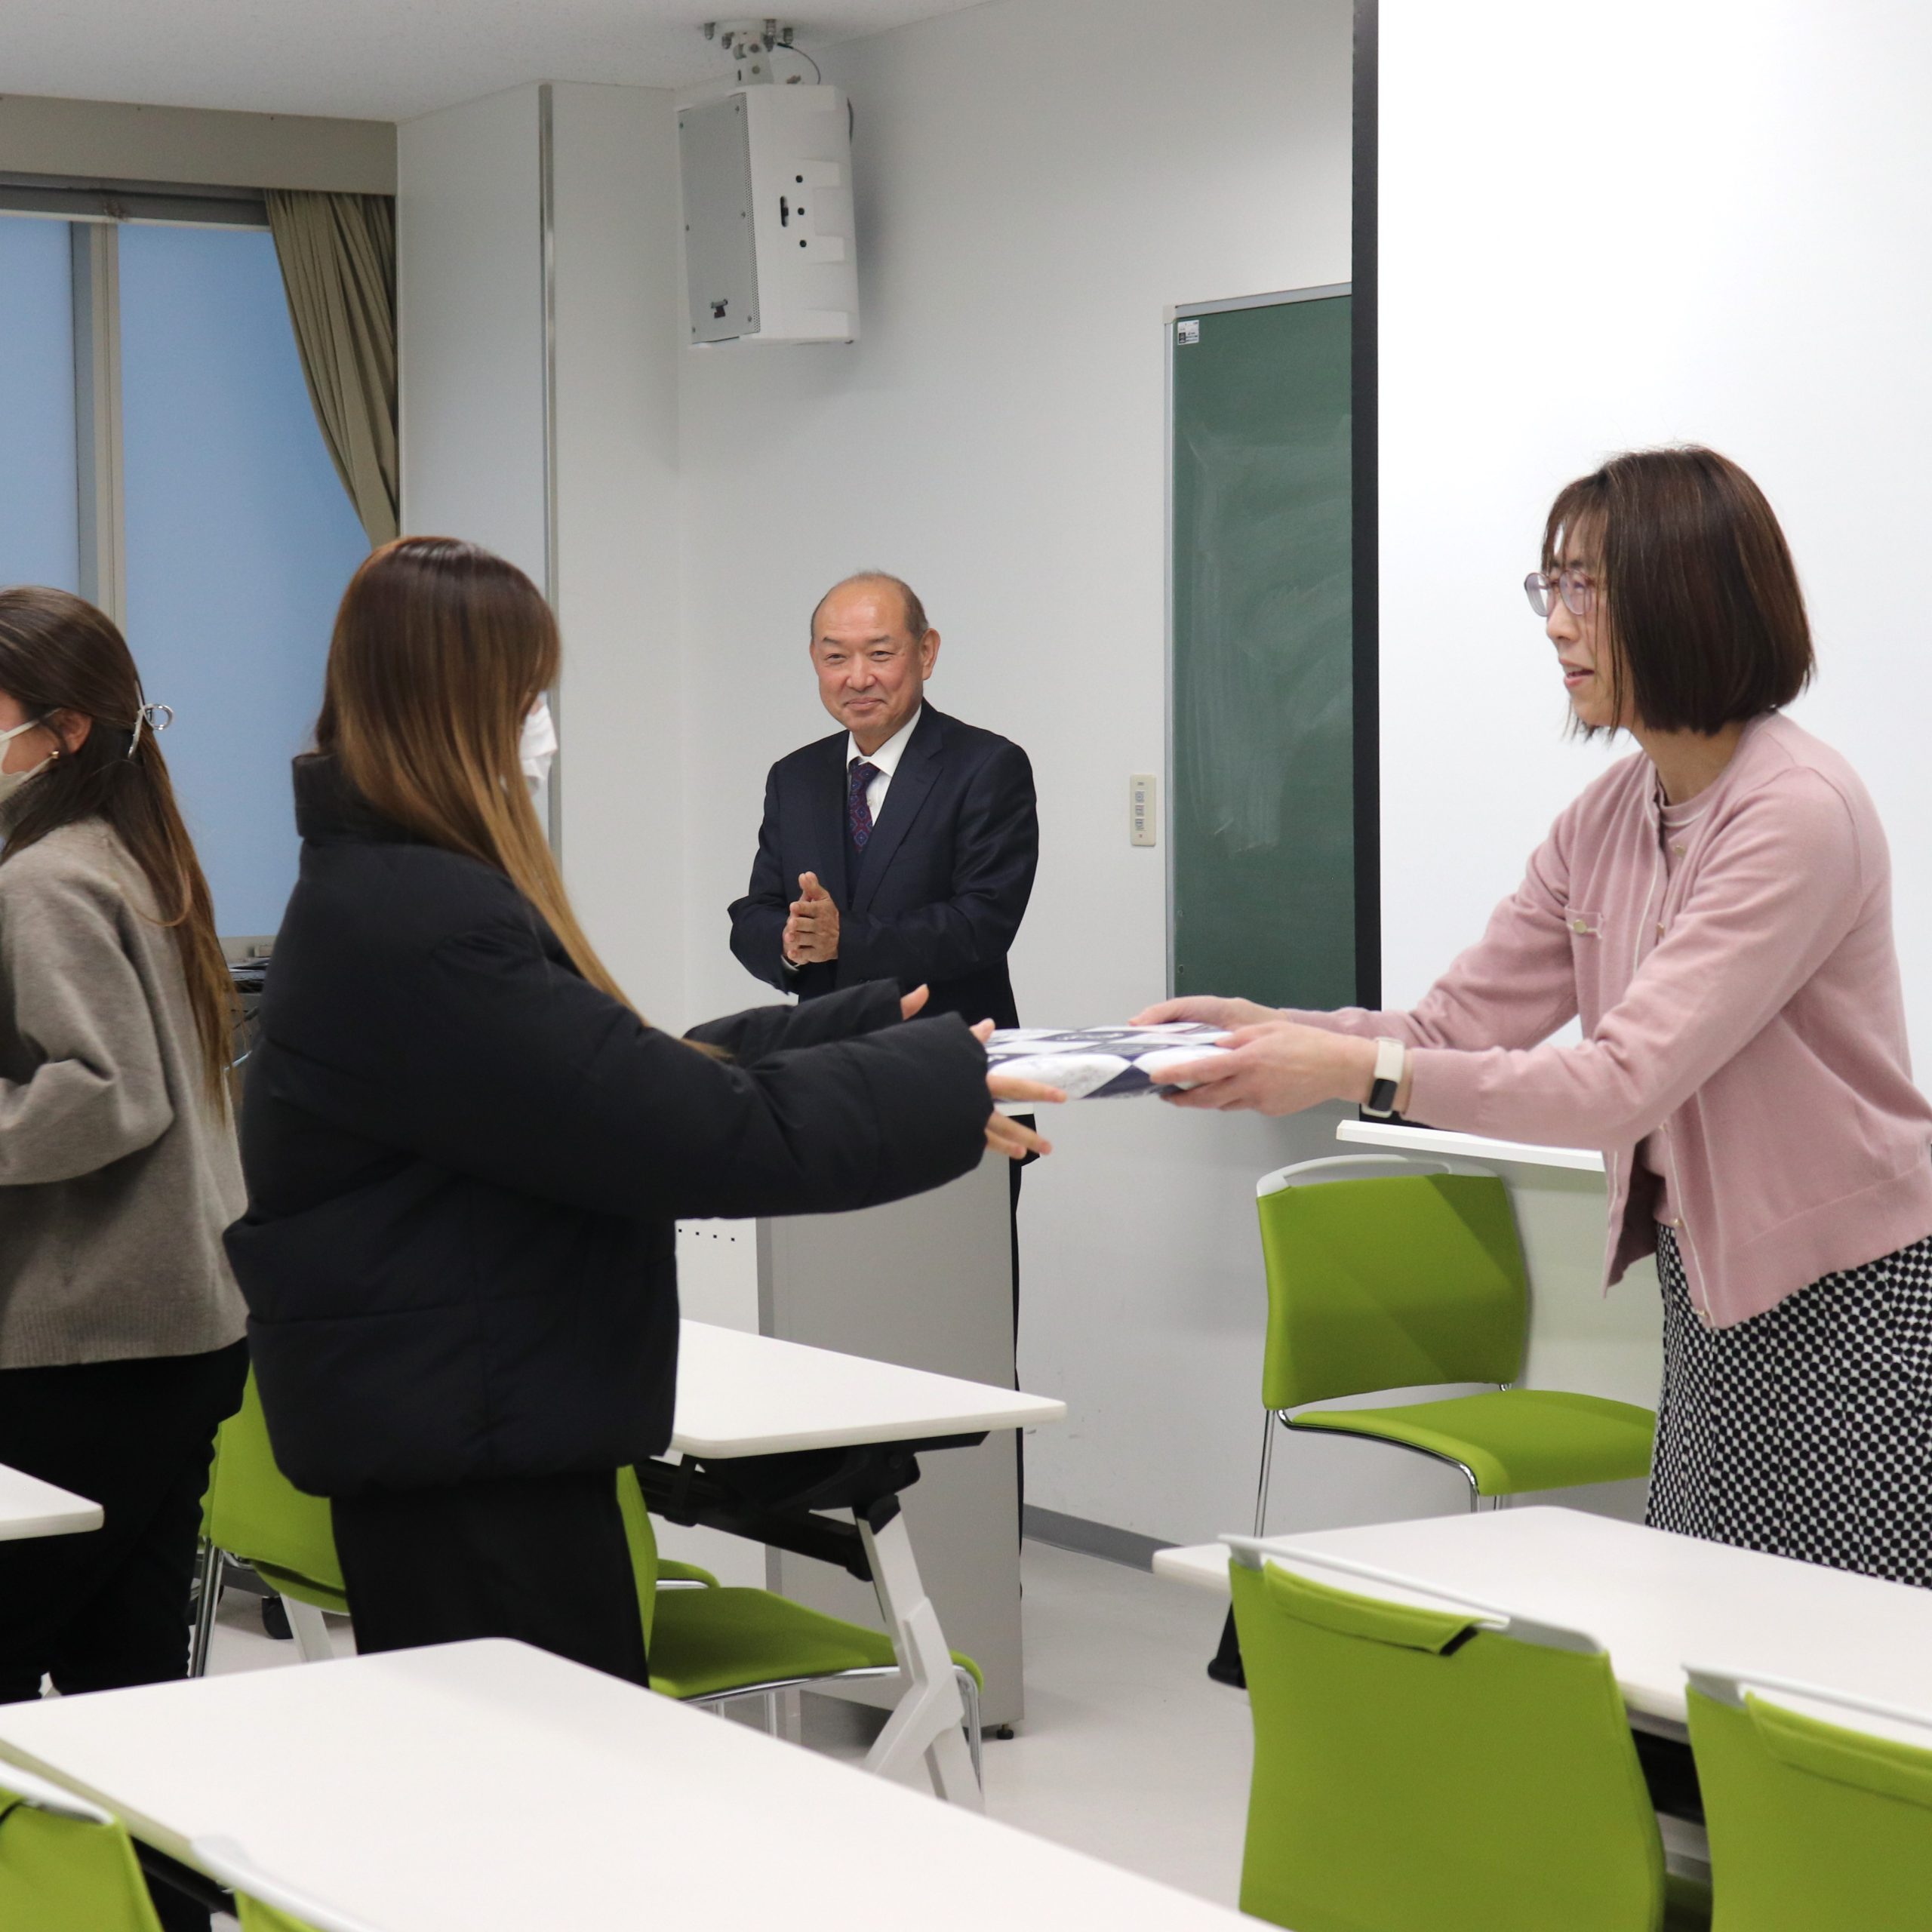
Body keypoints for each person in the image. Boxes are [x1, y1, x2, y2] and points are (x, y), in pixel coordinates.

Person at [226, 538, 1058, 1687]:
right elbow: (681, 1124)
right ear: (457, 708)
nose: (546, 732)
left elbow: (604, 1073)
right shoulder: (428, 917)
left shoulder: (392, 890)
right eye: (528, 699)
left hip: (464, 1413)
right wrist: (936, 1083)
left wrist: (862, 1022)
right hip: (475, 1433)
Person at [1142, 445, 1932, 1591]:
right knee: (1710, 1644)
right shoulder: (1609, 813)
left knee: (1834, 1677)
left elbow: (1621, 1082)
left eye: (1585, 589)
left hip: (1852, 1300)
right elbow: (1462, 1021)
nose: (1557, 625)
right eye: (1548, 587)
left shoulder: (1795, 814)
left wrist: (1350, 1070)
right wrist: (1272, 1028)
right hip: (1713, 1295)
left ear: (1686, 598)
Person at [0, 589, 247, 1931]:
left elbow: (108, 1093)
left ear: (63, 728)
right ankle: (158, 1912)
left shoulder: (42, 878)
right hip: (179, 1328)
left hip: (84, 1341)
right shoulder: (134, 854)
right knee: (133, 1684)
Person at [728, 572, 1038, 1030]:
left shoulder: (987, 766)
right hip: (823, 1061)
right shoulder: (794, 776)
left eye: (880, 654)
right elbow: (758, 912)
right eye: (836, 657)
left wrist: (843, 939)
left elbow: (982, 924)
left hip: (951, 1056)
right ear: (815, 660)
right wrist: (791, 940)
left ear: (926, 652)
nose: (858, 678)